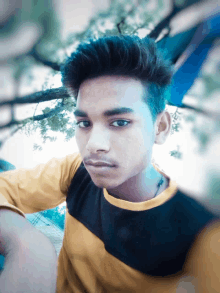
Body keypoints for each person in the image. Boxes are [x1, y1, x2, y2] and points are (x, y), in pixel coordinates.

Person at [0, 35, 219, 293]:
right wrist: (28, 244)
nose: (94, 144)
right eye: (84, 123)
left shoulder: (200, 234)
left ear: (160, 127)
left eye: (119, 122)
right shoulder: (76, 170)